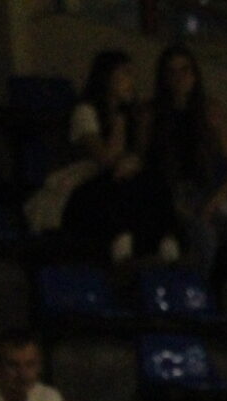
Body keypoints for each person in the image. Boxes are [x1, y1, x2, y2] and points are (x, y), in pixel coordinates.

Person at [145, 44, 227, 278]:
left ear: (194, 75)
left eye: (185, 70)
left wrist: (213, 203)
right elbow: (144, 164)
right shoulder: (151, 115)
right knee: (205, 237)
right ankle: (193, 291)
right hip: (167, 198)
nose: (179, 78)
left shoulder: (209, 111)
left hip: (202, 196)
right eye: (172, 72)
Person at [49, 50, 166, 265]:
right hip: (82, 189)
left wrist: (141, 127)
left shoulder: (130, 117)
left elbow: (138, 156)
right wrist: (120, 117)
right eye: (125, 73)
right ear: (107, 77)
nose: (131, 81)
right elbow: (105, 159)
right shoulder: (85, 112)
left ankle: (161, 244)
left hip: (115, 184)